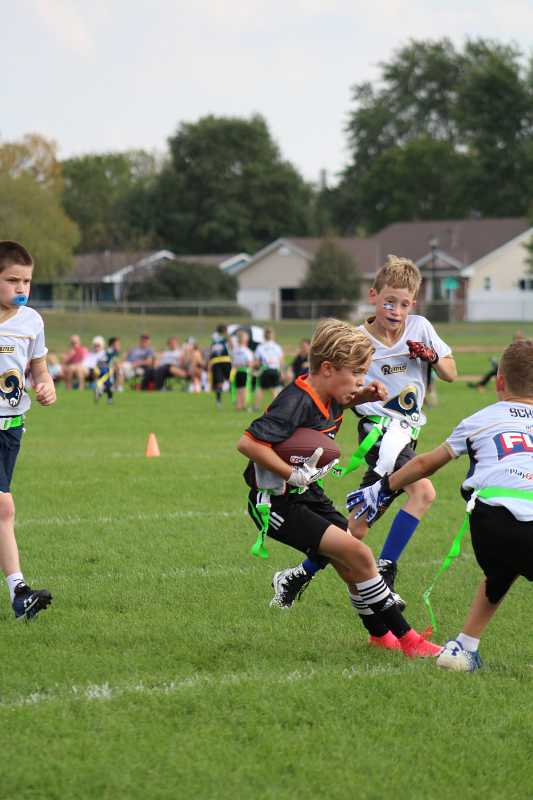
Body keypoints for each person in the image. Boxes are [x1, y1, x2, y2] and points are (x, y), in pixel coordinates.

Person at [271, 256, 457, 648]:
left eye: (404, 304)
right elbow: (339, 388)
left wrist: (432, 356)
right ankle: (386, 571)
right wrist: (365, 393)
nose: (396, 311)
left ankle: (297, 575)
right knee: (423, 491)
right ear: (374, 296)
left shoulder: (421, 328)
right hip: (380, 435)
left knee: (355, 529)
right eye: (389, 301)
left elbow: (451, 373)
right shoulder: (357, 340)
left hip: (408, 433)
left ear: (413, 303)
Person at [237, 318, 441, 657]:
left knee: (350, 564)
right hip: (275, 503)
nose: (361, 380)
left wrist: (363, 394)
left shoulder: (328, 392)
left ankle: (380, 636)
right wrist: (291, 473)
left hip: (308, 495)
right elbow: (248, 443)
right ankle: (410, 641)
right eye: (357, 373)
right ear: (328, 369)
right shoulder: (295, 401)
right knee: (360, 555)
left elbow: (334, 405)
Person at [348, 338, 533, 671]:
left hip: (489, 521)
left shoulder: (479, 419)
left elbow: (424, 464)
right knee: (507, 566)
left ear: (499, 381)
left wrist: (383, 487)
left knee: (501, 570)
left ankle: (464, 647)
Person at [0, 241, 56, 621]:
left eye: (27, 281)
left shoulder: (32, 322)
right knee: (4, 507)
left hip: (11, 429)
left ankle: (18, 594)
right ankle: (19, 592)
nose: (21, 288)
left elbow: (39, 369)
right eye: (12, 280)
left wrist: (46, 385)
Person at [254, 328, 284, 405]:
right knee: (275, 390)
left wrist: (256, 369)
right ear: (273, 336)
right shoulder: (277, 347)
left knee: (261, 389)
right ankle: (276, 407)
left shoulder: (260, 347)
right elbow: (281, 361)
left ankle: (256, 406)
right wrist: (282, 372)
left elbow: (257, 362)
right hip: (275, 370)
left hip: (265, 370)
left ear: (264, 336)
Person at [208, 325, 232, 406]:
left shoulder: (214, 339)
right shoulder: (224, 338)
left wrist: (209, 361)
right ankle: (233, 397)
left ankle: (219, 400)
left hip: (217, 362)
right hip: (224, 361)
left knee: (220, 382)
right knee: (228, 379)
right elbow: (231, 346)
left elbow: (211, 350)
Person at [231, 330, 254, 411]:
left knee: (238, 389)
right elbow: (250, 363)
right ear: (244, 339)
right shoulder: (247, 351)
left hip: (237, 371)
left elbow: (233, 362)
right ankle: (243, 405)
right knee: (244, 389)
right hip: (245, 371)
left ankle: (238, 405)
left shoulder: (235, 350)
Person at [94, 337, 121, 404]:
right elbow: (116, 363)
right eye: (117, 345)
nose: (119, 346)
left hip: (100, 368)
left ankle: (108, 399)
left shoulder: (108, 351)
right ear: (112, 345)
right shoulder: (113, 352)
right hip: (105, 369)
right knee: (109, 385)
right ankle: (100, 392)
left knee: (107, 385)